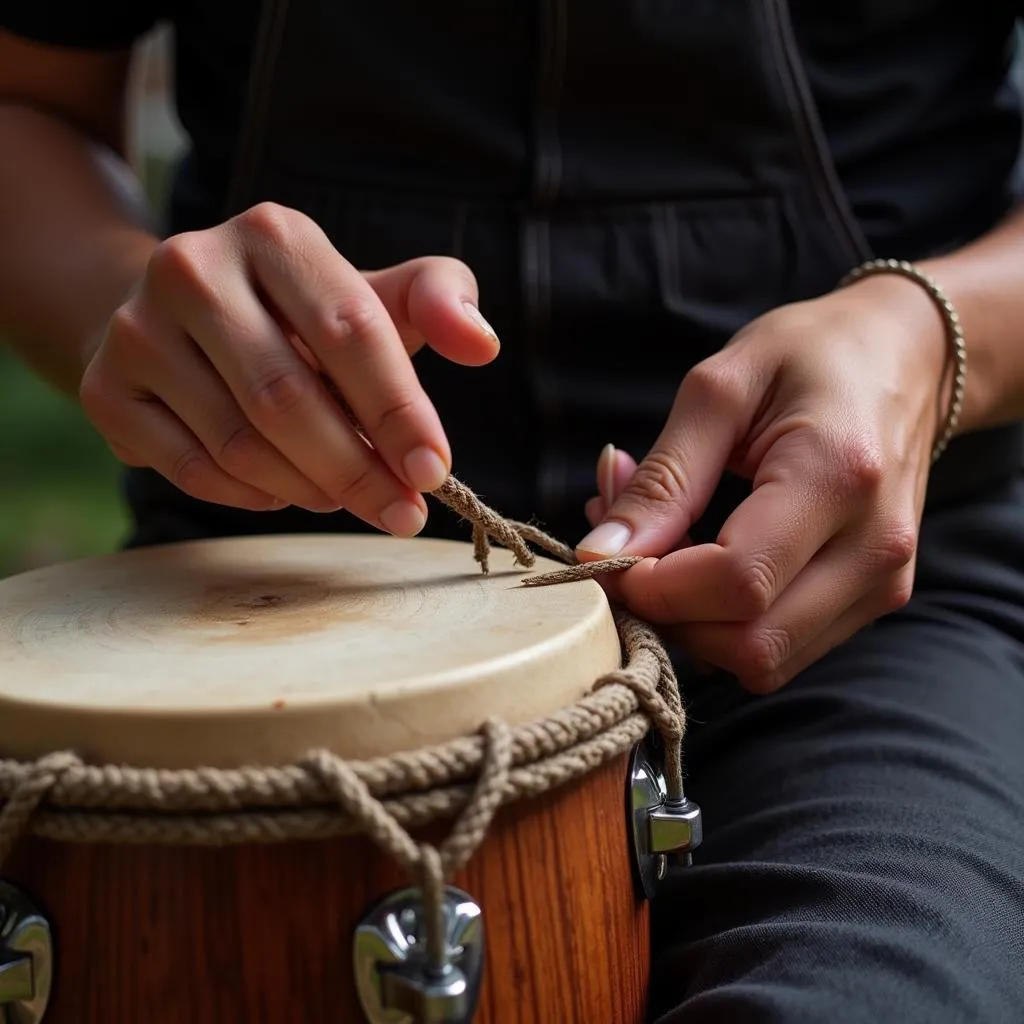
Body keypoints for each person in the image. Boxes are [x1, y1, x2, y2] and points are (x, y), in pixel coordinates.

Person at [2, 3, 1024, 1020]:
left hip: (872, 614)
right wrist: (124, 303)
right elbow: (26, 104)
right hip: (259, 589)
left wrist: (927, 340)